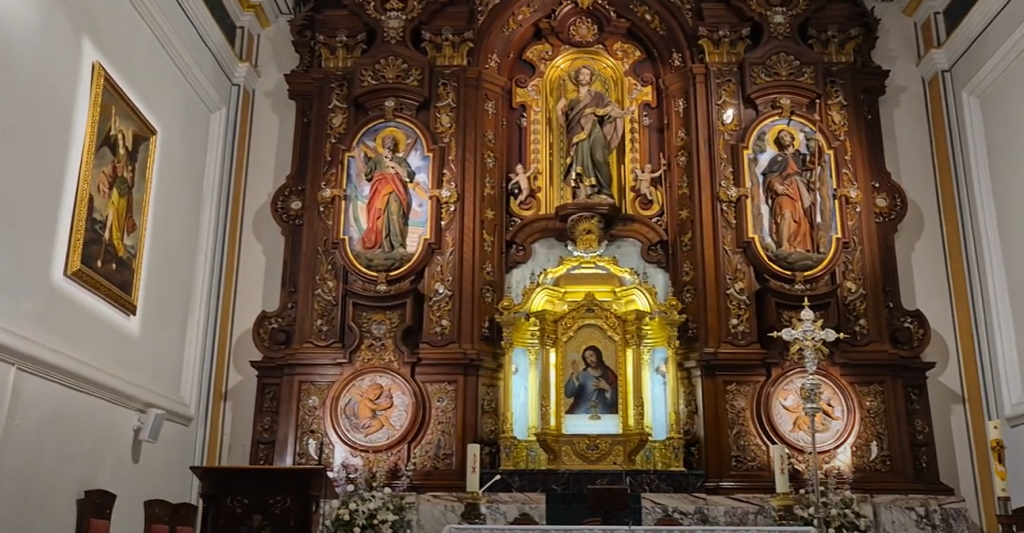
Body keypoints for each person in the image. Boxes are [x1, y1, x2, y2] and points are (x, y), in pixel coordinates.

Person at [556, 65, 633, 202]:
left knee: (599, 158)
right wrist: (558, 110)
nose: (584, 77)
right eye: (582, 74)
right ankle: (582, 194)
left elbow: (610, 110)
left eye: (587, 75)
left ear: (591, 79)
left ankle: (606, 192)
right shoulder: (572, 101)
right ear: (576, 78)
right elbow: (565, 124)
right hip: (577, 134)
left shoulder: (598, 97)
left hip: (594, 130)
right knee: (578, 161)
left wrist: (623, 112)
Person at [761, 129, 816, 253]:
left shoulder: (801, 157)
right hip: (784, 188)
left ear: (792, 138)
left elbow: (815, 160)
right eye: (781, 137)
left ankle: (798, 247)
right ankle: (784, 246)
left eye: (785, 135)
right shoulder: (777, 159)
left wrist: (818, 144)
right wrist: (776, 186)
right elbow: (770, 177)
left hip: (800, 190)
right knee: (785, 214)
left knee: (802, 218)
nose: (783, 138)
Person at [361, 134, 415, 253]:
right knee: (381, 216)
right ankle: (384, 246)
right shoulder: (376, 160)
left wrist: (395, 166)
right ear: (383, 143)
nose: (390, 142)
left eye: (392, 140)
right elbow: (367, 175)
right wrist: (365, 160)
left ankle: (398, 245)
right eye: (387, 139)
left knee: (396, 216)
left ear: (395, 144)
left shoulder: (400, 160)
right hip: (379, 191)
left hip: (395, 190)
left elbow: (409, 174)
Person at [564, 345, 618, 415]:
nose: (590, 360)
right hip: (582, 412)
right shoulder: (582, 375)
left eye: (591, 356)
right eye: (587, 358)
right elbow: (568, 394)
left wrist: (607, 388)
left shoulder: (609, 374)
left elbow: (618, 399)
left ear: (598, 355)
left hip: (603, 413)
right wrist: (575, 375)